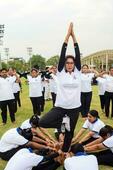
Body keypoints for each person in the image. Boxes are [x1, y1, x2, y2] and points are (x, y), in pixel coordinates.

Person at [39, 23, 81, 152]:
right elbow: (62, 53)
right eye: (67, 63)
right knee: (42, 122)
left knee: (70, 133)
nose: (69, 64)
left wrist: (74, 37)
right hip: (61, 107)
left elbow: (77, 53)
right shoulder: (61, 72)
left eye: (71, 63)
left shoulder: (78, 72)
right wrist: (67, 36)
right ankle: (62, 125)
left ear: (74, 64)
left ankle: (64, 151)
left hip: (74, 108)